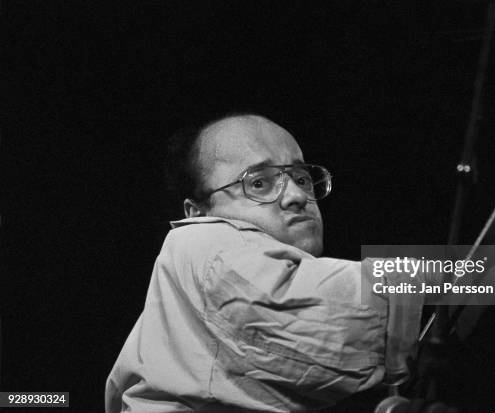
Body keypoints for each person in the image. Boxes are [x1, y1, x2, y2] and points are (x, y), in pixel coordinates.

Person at [105, 113, 426, 412]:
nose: (297, 195)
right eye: (259, 183)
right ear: (197, 213)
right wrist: (463, 274)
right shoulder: (198, 241)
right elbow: (324, 315)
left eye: (301, 178)